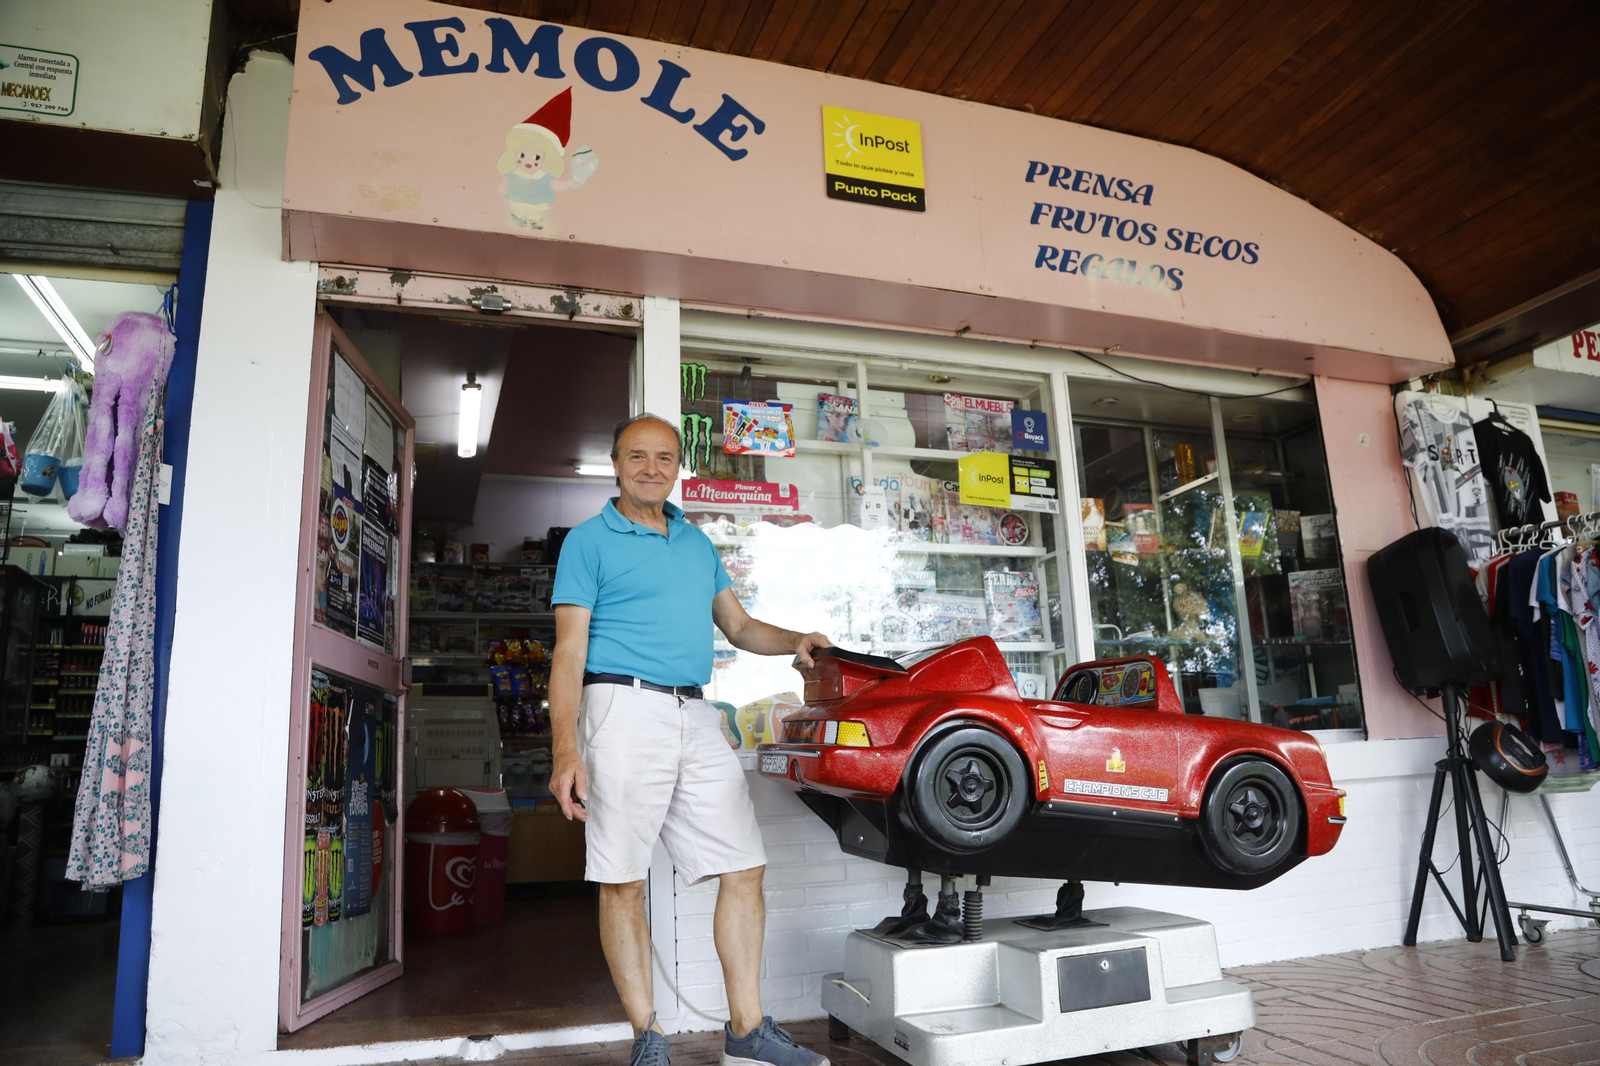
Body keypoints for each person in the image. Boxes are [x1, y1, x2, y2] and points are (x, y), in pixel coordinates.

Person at [549, 413, 833, 1066]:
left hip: (695, 713)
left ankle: (747, 1029)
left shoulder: (695, 543)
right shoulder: (588, 542)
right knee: (622, 879)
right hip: (619, 705)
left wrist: (795, 641)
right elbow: (568, 653)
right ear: (616, 464)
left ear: (679, 466)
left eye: (665, 457)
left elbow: (736, 627)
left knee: (744, 865)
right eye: (638, 456)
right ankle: (649, 1037)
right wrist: (566, 748)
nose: (652, 467)